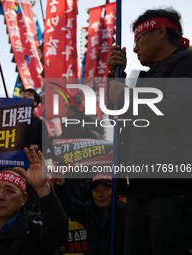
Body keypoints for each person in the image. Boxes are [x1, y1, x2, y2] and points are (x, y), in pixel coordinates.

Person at [107, 8, 192, 254]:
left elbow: (175, 109)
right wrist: (114, 76)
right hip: (140, 190)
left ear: (162, 32)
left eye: (138, 39)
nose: (134, 49)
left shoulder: (185, 62)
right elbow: (117, 116)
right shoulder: (145, 76)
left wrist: (126, 95)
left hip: (172, 190)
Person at [54, 174, 128, 255]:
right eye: (96, 190)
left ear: (115, 191)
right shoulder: (88, 210)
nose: (100, 194)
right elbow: (67, 205)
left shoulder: (125, 211)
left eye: (106, 189)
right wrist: (60, 183)